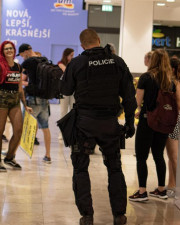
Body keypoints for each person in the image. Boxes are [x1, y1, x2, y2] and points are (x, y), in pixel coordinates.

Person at [60, 29, 136, 225]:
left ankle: (87, 215)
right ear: (99, 41)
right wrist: (128, 122)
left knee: (80, 169)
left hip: (84, 123)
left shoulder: (76, 63)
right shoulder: (117, 62)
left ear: (82, 45)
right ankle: (119, 214)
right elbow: (129, 96)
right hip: (110, 123)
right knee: (114, 168)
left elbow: (65, 90)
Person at [129, 49, 174, 203]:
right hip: (163, 122)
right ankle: (161, 189)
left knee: (141, 156)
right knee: (159, 155)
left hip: (147, 121)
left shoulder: (146, 77)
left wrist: (138, 110)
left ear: (152, 60)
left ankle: (142, 192)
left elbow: (138, 100)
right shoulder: (170, 80)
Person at [0, 40, 32, 172]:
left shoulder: (18, 67)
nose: (9, 51)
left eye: (11, 49)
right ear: (2, 51)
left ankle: (9, 157)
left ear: (14, 51)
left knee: (18, 131)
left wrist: (25, 105)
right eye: (6, 49)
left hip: (15, 102)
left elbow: (20, 88)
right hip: (1, 102)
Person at [18, 43, 52, 163]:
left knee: (25, 126)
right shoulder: (44, 60)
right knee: (45, 127)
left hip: (33, 99)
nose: (23, 57)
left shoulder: (28, 62)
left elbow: (17, 74)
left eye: (22, 55)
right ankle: (48, 155)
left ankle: (13, 152)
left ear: (26, 51)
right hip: (45, 99)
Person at [165, 57, 180, 198]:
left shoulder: (175, 83)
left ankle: (177, 187)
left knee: (173, 156)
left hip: (175, 119)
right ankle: (171, 184)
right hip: (175, 119)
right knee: (171, 156)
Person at [58, 48, 75, 140]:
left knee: (73, 111)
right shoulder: (60, 63)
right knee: (63, 112)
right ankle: (62, 133)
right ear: (66, 55)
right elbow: (67, 72)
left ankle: (72, 133)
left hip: (73, 91)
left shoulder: (73, 63)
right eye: (71, 55)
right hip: (64, 91)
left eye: (73, 55)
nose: (72, 57)